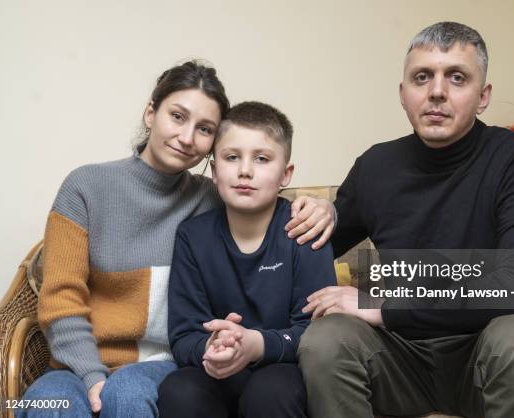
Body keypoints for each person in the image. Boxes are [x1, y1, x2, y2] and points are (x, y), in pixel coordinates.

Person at [19, 61, 335, 418]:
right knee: (45, 404)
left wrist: (324, 208)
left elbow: (263, 200)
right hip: (77, 365)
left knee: (128, 395)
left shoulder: (211, 197)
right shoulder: (85, 188)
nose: (187, 138)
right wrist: (92, 376)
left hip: (161, 363)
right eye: (178, 117)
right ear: (151, 113)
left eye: (204, 129)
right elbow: (61, 299)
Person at [298, 22, 514, 418]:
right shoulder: (376, 165)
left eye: (457, 77)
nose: (437, 91)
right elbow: (308, 255)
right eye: (421, 77)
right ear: (403, 94)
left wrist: (386, 306)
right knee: (326, 340)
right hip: (397, 358)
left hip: (488, 352)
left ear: (483, 96)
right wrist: (321, 212)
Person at [157, 101, 337, 418]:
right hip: (217, 371)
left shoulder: (306, 229)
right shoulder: (192, 237)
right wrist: (212, 346)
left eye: (262, 159)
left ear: (286, 174)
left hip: (283, 369)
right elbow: (184, 336)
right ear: (214, 171)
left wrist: (257, 345)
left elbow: (317, 332)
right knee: (179, 390)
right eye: (231, 157)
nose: (245, 170)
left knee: (270, 391)